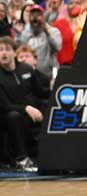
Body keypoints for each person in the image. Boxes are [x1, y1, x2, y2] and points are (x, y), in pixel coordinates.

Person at [0, 36, 50, 172]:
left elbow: (40, 92)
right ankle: (22, 159)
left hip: (29, 114)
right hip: (6, 116)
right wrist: (27, 108)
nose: (3, 53)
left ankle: (56, 155)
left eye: (7, 49)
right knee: (13, 116)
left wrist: (56, 89)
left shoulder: (26, 69)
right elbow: (5, 105)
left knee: (49, 108)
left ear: (14, 52)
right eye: (0, 50)